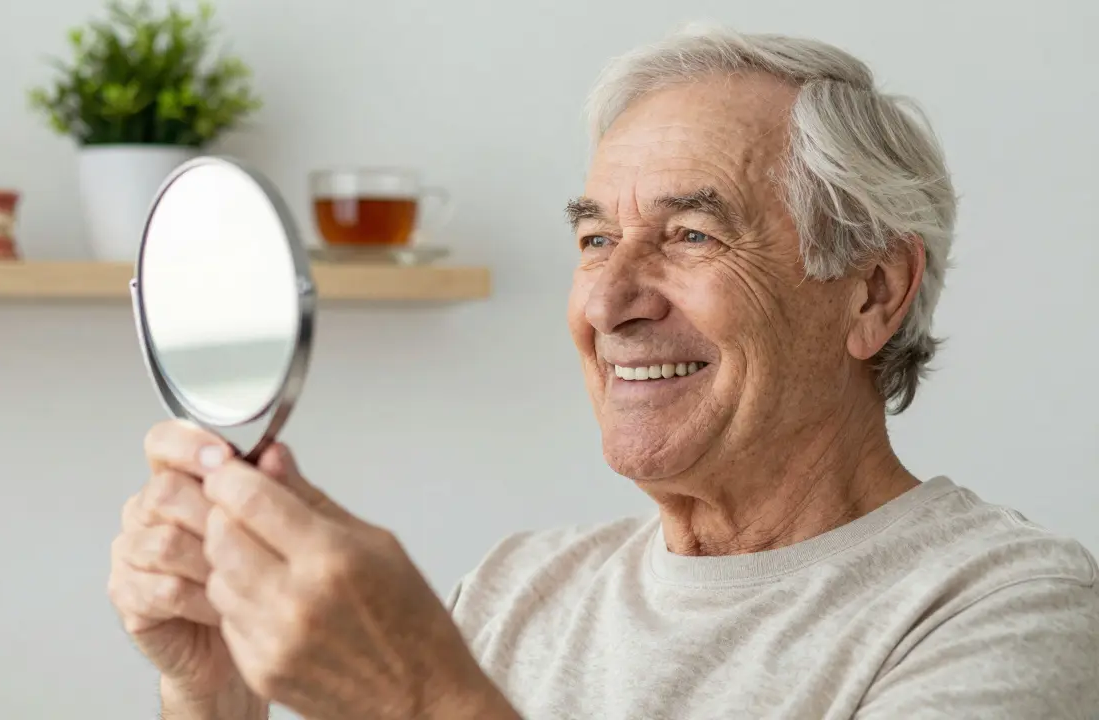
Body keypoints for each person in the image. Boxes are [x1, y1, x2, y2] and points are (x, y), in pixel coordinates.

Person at [106, 24, 1099, 720]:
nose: (609, 301)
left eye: (692, 233)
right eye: (594, 241)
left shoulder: (1007, 609)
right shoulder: (515, 591)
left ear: (872, 292)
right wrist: (215, 698)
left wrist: (421, 698)